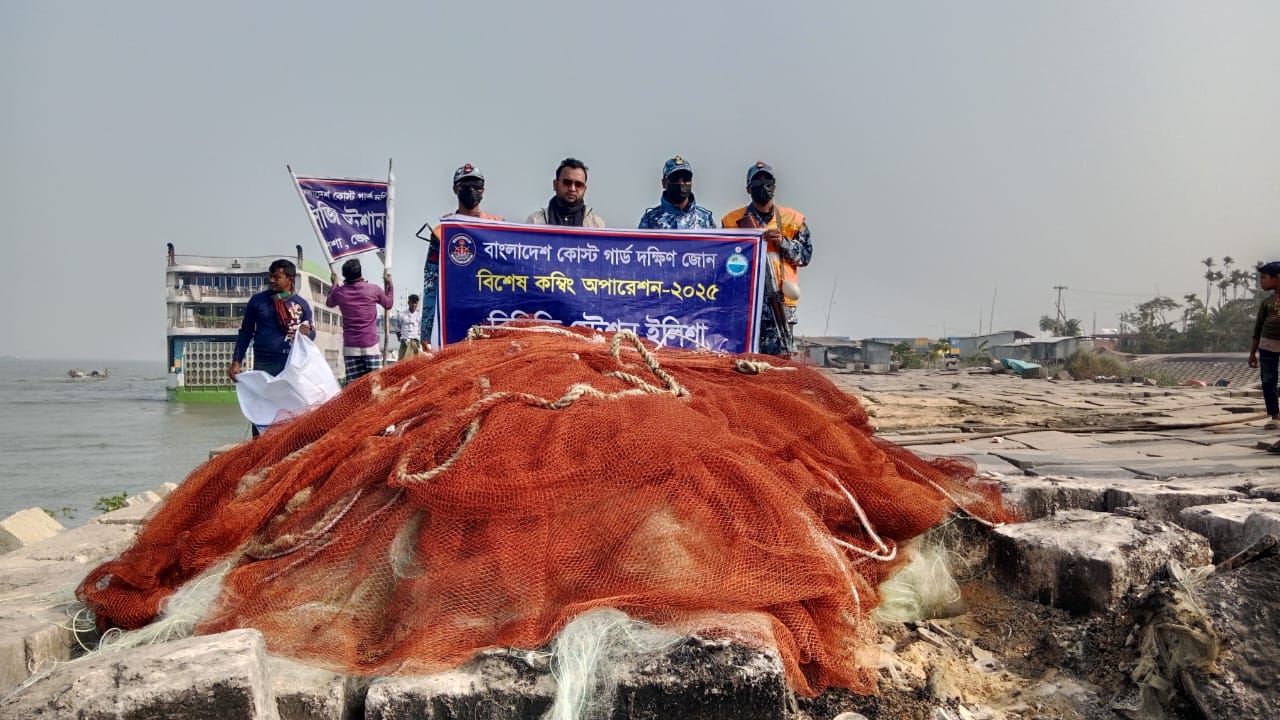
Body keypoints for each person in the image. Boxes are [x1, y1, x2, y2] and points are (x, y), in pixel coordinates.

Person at [722, 161, 813, 357]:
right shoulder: (731, 222)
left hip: (780, 305)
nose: (763, 185)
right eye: (757, 181)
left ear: (775, 186)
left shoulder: (793, 220)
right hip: (745, 305)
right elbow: (723, 263)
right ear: (748, 188)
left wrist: (784, 243)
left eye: (768, 180)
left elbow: (805, 256)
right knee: (745, 362)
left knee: (781, 362)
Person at [421, 164, 505, 345]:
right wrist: (426, 333)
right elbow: (430, 282)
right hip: (454, 316)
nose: (471, 190)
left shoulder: (499, 226)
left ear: (484, 190)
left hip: (491, 317)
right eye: (465, 186)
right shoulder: (442, 232)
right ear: (455, 189)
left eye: (477, 186)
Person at [228, 258, 314, 381]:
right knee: (264, 400)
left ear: (290, 279)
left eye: (276, 277)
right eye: (270, 276)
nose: (271, 280)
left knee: (290, 400)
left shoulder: (302, 305)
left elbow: (312, 335)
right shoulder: (257, 301)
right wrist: (236, 362)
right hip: (264, 362)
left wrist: (308, 333)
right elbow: (246, 333)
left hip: (292, 363)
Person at [327, 257, 394, 383]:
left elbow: (329, 302)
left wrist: (334, 283)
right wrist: (390, 285)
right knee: (375, 388)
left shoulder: (340, 292)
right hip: (371, 346)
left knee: (355, 390)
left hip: (351, 347)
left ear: (345, 276)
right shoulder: (373, 289)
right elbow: (388, 304)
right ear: (360, 273)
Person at [638, 155, 716, 230]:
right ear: (664, 183)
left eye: (686, 179)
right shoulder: (650, 219)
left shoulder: (705, 218)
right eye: (675, 179)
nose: (681, 183)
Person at [526, 157, 606, 227]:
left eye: (578, 184)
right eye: (567, 182)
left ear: (584, 189)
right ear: (555, 185)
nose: (572, 188)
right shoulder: (535, 222)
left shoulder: (596, 224)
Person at [1248, 261, 1280, 431]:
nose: (1261, 281)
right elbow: (1258, 328)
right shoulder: (1267, 303)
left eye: (1264, 278)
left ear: (1277, 278)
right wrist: (1252, 353)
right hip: (1267, 346)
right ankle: (1275, 416)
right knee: (1268, 382)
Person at [396, 294, 423, 360]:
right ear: (408, 303)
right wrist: (402, 339)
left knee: (416, 362)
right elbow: (397, 329)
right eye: (412, 302)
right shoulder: (401, 315)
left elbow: (420, 329)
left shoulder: (419, 315)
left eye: (415, 303)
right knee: (401, 362)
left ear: (417, 304)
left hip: (415, 342)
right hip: (404, 341)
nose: (414, 305)